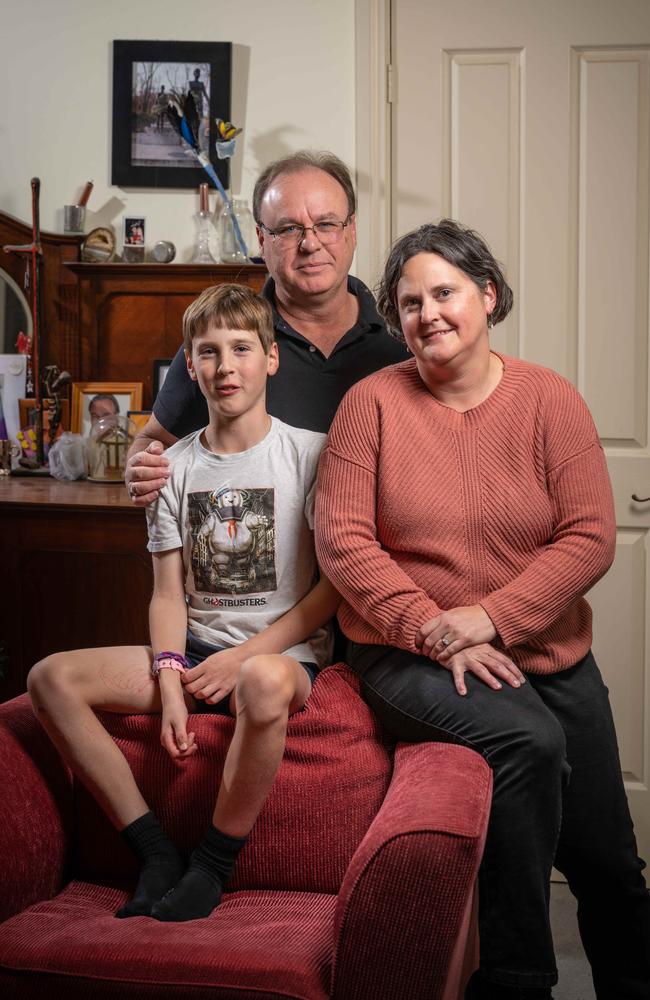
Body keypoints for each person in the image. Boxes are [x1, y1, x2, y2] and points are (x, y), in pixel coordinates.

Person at [315, 219, 650, 1000]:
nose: (427, 313)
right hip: (403, 651)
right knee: (528, 741)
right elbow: (344, 544)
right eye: (408, 303)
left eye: (445, 292)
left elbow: (591, 536)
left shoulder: (548, 400)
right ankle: (518, 980)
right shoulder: (371, 406)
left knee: (611, 863)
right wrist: (439, 631)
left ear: (488, 296)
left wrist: (492, 618)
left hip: (544, 648)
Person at [28, 283, 339, 922]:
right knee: (50, 678)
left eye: (242, 349)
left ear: (271, 359)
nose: (226, 366)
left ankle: (211, 866)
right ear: (188, 367)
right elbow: (168, 592)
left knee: (259, 679)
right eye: (208, 352)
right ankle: (155, 851)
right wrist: (171, 677)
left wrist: (245, 657)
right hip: (195, 651)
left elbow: (330, 590)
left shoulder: (311, 454)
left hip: (281, 656)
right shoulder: (170, 466)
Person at [124, 150, 408, 507]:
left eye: (327, 224)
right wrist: (140, 469)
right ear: (261, 239)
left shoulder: (404, 335)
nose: (310, 243)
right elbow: (153, 441)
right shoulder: (226, 339)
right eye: (288, 229)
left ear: (351, 229)